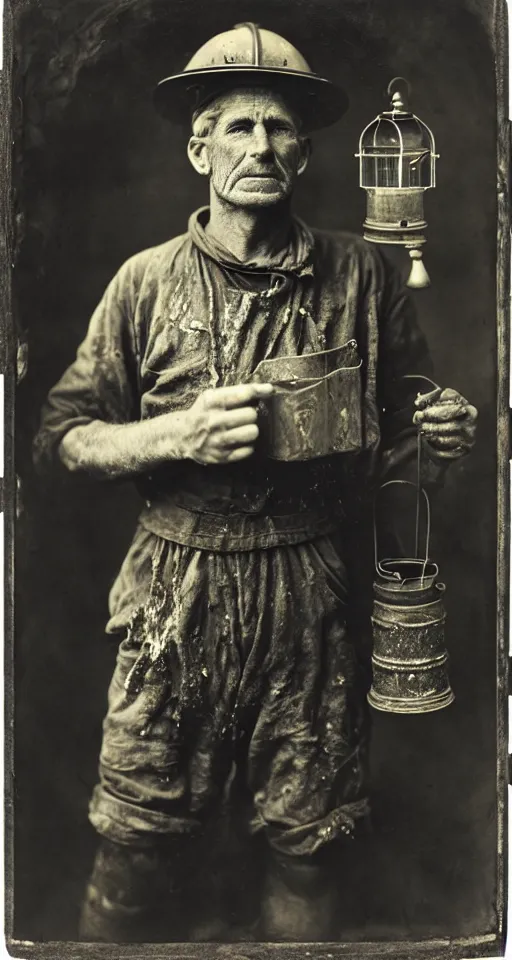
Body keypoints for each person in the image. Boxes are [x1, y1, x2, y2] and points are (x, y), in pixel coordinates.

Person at [34, 22, 478, 943]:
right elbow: (60, 441)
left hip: (310, 594)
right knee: (134, 842)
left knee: (308, 848)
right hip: (172, 593)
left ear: (307, 153)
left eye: (279, 129)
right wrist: (174, 434)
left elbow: (404, 437)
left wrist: (441, 433)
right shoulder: (143, 284)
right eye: (237, 127)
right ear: (200, 148)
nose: (260, 147)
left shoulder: (364, 275)